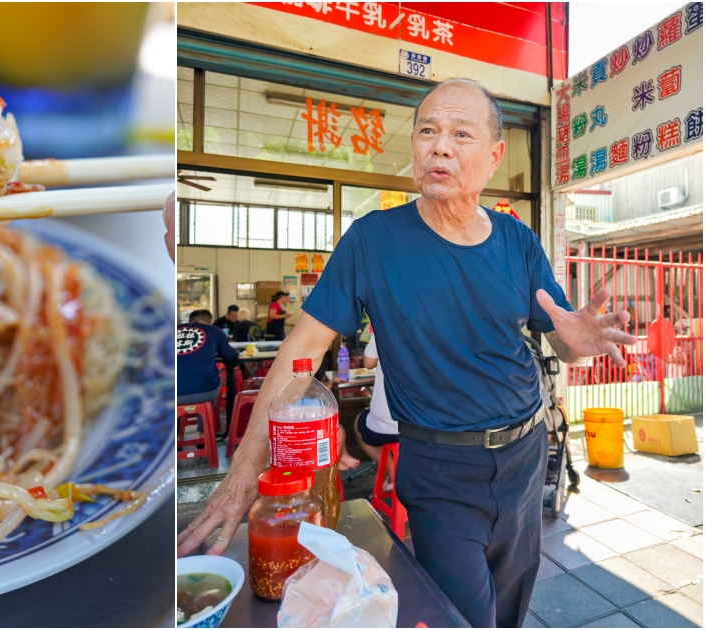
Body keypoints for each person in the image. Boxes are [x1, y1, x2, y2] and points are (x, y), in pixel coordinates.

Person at [176, 78, 636, 628]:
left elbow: (561, 334)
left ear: (492, 157)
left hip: (524, 453)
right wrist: (246, 469)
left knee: (513, 601)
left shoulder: (518, 240)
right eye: (428, 131)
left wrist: (577, 345)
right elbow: (303, 348)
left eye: (460, 134)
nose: (440, 146)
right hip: (439, 466)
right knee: (465, 615)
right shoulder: (372, 240)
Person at [354, 333, 398, 490]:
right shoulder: (438, 325)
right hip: (425, 426)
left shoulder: (385, 324)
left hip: (385, 426)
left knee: (359, 421)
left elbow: (368, 362)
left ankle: (393, 472)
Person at [177, 309, 240, 405]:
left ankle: (178, 418)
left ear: (190, 322)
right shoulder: (214, 330)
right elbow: (233, 360)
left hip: (169, 393)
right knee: (212, 382)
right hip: (205, 390)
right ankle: (206, 418)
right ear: (210, 322)